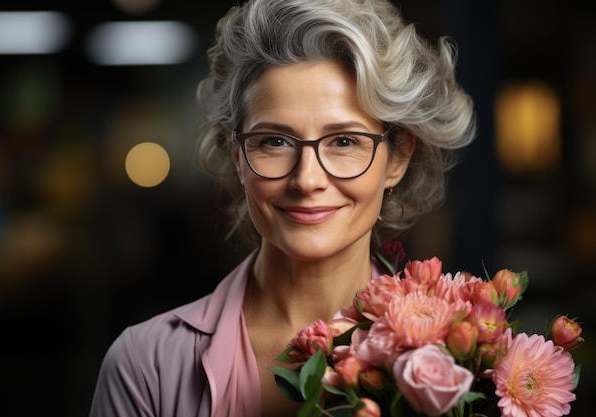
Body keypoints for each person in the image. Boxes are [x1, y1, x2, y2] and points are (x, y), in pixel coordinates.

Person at [88, 0, 476, 416]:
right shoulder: (146, 366)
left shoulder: (462, 358)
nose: (307, 179)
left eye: (344, 141)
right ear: (237, 155)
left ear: (396, 159)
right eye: (274, 141)